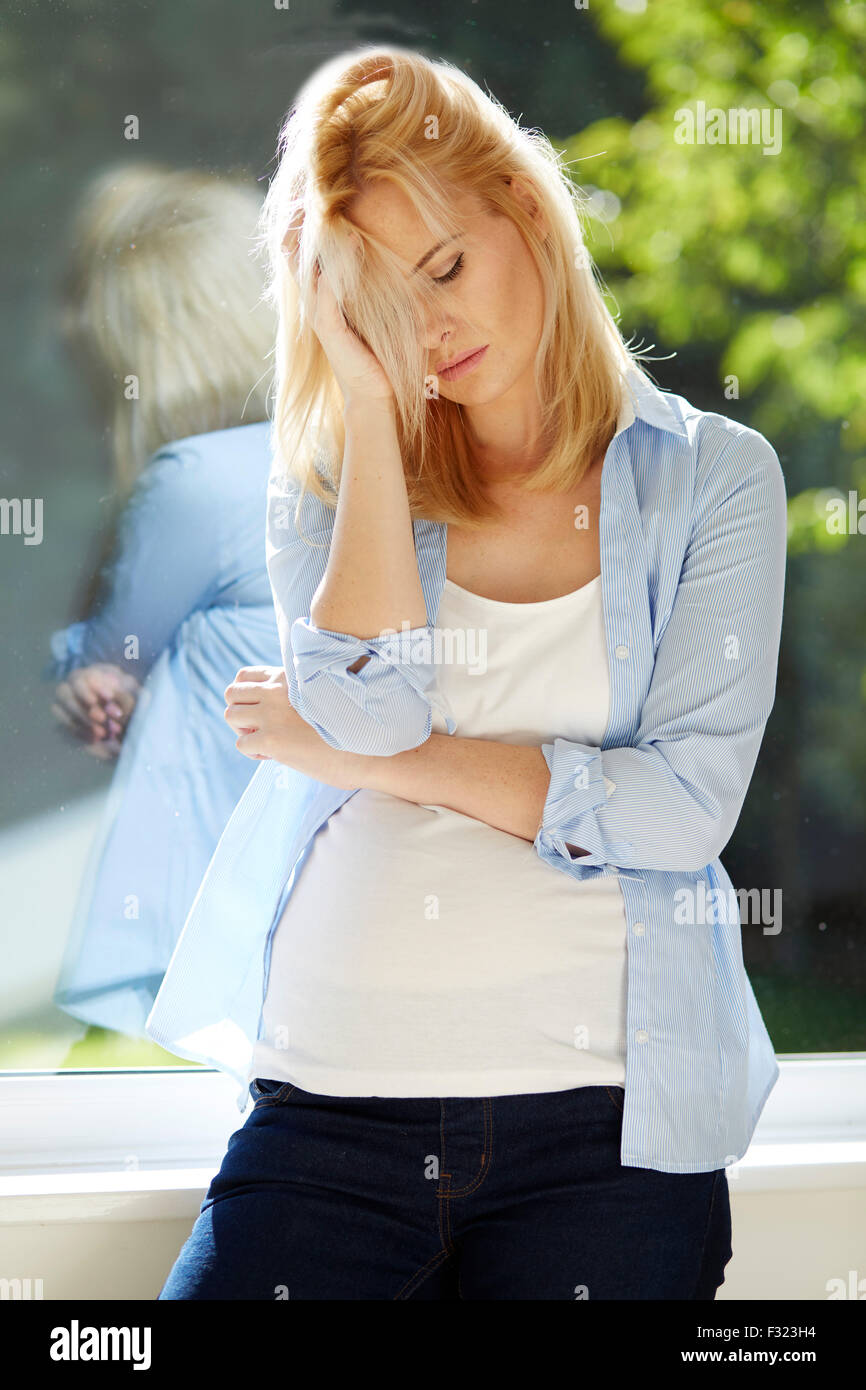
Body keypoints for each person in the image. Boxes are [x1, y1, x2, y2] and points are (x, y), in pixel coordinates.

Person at [152, 47, 787, 1300]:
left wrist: (366, 761)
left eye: (443, 266)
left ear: (527, 211)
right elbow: (366, 699)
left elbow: (678, 812)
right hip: (327, 1109)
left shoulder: (712, 479)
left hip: (602, 1134)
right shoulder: (330, 481)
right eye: (382, 297)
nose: (429, 325)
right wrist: (377, 428)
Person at [44, 162, 283, 1038]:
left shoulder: (194, 485)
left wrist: (79, 671)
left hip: (192, 942)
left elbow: (113, 664)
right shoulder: (356, 471)